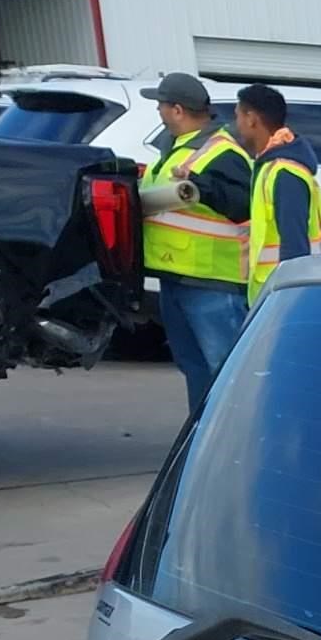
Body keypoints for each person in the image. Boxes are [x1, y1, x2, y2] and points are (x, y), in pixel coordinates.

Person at [137, 72, 252, 418]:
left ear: (176, 110)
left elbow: (243, 205)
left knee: (226, 371)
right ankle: (203, 443)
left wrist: (201, 186)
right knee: (197, 369)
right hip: (178, 276)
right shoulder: (177, 149)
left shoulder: (220, 153)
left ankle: (236, 445)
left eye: (160, 105)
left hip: (212, 281)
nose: (157, 111)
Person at [232, 83, 321, 308]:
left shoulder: (284, 172)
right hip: (275, 290)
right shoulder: (269, 166)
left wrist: (288, 302)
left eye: (238, 116)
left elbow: (295, 248)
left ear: (251, 118)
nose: (235, 125)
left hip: (286, 294)